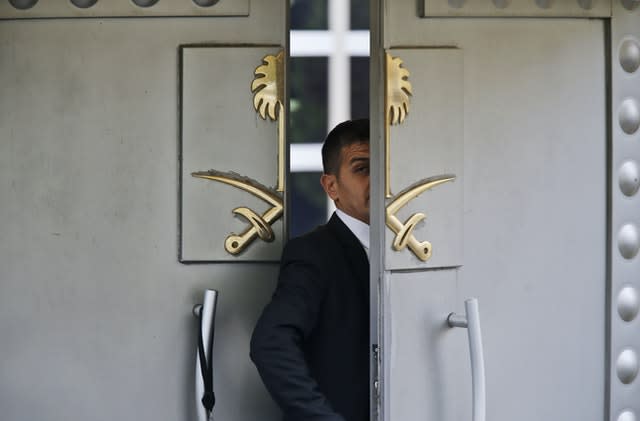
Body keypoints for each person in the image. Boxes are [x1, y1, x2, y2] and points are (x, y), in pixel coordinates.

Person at [250, 119, 370, 421]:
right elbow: (271, 342)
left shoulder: (412, 254)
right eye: (363, 169)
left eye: (386, 167)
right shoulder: (314, 252)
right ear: (331, 186)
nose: (380, 180)